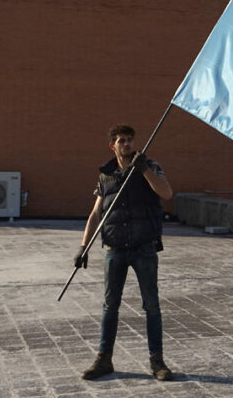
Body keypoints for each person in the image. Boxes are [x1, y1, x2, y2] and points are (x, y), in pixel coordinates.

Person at [74, 124, 174, 381]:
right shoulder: (106, 176)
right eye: (121, 140)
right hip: (114, 249)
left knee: (151, 306)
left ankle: (157, 362)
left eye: (130, 140)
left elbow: (166, 192)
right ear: (113, 145)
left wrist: (144, 170)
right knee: (110, 306)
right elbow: (96, 213)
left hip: (144, 248)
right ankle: (104, 359)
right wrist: (83, 247)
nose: (127, 144)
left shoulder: (149, 166)